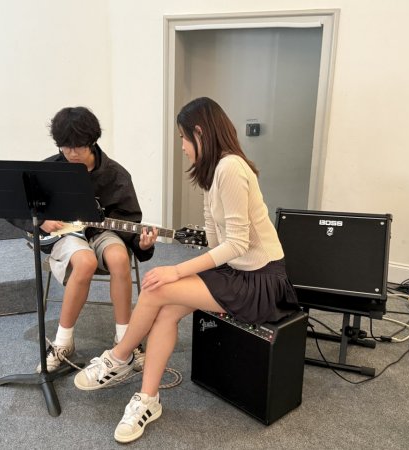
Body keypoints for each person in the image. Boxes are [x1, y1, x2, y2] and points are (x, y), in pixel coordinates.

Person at [72, 97, 300, 443]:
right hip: (235, 271)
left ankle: (120, 357)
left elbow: (238, 244)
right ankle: (147, 400)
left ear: (200, 132)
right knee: (165, 310)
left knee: (157, 287)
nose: (181, 146)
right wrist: (177, 250)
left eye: (183, 137)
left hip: (261, 280)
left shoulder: (231, 168)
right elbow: (216, 243)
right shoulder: (212, 174)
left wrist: (178, 271)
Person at [9, 106, 158, 373]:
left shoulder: (116, 175)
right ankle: (63, 343)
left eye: (78, 146)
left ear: (92, 141)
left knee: (119, 258)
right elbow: (15, 206)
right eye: (65, 146)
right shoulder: (47, 170)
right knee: (85, 261)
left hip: (102, 232)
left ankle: (125, 340)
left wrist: (141, 244)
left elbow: (129, 221)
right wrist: (41, 221)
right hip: (65, 235)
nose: (72, 153)